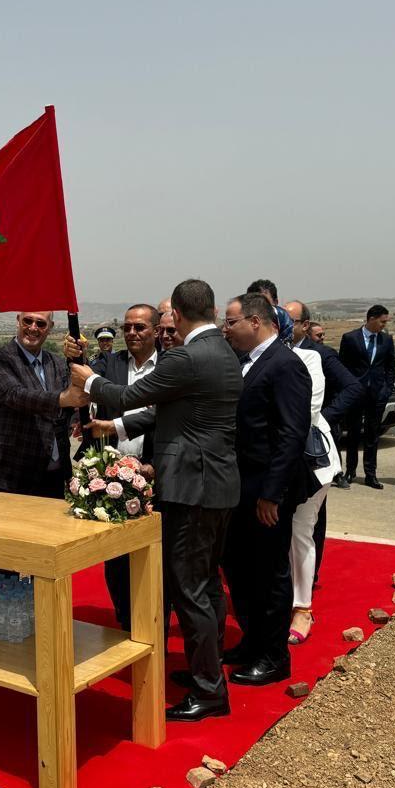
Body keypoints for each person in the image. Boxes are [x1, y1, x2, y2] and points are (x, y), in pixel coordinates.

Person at [68, 279, 242, 721]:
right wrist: (117, 429)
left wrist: (90, 381)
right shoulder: (224, 352)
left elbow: (126, 397)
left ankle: (209, 692)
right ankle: (209, 673)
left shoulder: (186, 356)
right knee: (205, 585)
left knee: (190, 590)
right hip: (218, 484)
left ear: (178, 316)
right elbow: (168, 411)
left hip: (191, 487)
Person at [220, 293, 312, 686]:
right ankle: (252, 641)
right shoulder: (248, 362)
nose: (226, 328)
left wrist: (272, 494)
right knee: (240, 569)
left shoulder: (285, 365)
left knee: (269, 573)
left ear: (255, 322)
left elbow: (292, 435)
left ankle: (274, 656)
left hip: (266, 492)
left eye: (231, 321)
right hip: (241, 488)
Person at [85, 304, 162, 631]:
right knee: (116, 559)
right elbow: (83, 380)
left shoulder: (171, 366)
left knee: (153, 555)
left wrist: (155, 465)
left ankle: (152, 618)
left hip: (156, 473)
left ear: (155, 331)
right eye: (127, 327)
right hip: (115, 476)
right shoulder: (111, 364)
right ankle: (124, 621)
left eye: (140, 327)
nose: (132, 333)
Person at [286, 300, 361, 582]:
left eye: (290, 320)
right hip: (293, 444)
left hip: (315, 446)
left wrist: (324, 418)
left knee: (311, 518)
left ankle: (310, 575)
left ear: (305, 325)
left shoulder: (319, 354)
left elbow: (354, 387)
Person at [0, 311, 76, 499]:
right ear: (18, 321)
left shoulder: (56, 362)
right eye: (27, 321)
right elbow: (15, 395)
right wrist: (63, 399)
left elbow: (74, 398)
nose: (33, 328)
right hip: (10, 472)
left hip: (53, 473)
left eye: (40, 324)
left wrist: (79, 359)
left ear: (50, 327)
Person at [338, 305, 395, 489]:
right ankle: (350, 471)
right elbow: (342, 367)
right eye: (382, 321)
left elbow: (390, 368)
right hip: (356, 395)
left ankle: (371, 475)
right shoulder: (350, 338)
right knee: (353, 434)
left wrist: (386, 391)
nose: (384, 325)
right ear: (371, 318)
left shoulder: (386, 340)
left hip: (377, 395)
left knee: (372, 436)